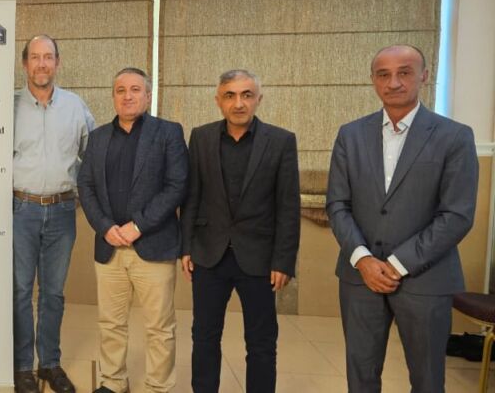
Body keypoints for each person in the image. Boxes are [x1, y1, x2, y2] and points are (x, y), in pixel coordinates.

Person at [327, 44, 479, 392]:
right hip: (360, 278)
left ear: (424, 76)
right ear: (373, 80)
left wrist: (397, 264)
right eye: (383, 74)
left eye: (404, 72)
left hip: (426, 279)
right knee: (360, 378)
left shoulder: (455, 136)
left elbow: (456, 214)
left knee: (427, 380)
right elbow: (337, 205)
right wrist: (363, 260)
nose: (393, 82)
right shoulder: (350, 135)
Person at [180, 69, 300, 393]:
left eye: (247, 95)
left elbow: (288, 207)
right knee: (204, 337)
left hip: (260, 259)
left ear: (259, 99)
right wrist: (186, 246)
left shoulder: (281, 141)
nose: (238, 103)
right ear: (218, 100)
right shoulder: (201, 137)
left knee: (261, 342)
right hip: (209, 254)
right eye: (230, 95)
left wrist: (284, 261)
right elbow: (192, 196)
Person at [78, 67, 188, 393]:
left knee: (159, 327)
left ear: (148, 96)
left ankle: (158, 387)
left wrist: (138, 225)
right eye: (121, 90)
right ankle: (113, 382)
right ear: (113, 96)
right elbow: (86, 186)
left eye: (135, 90)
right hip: (109, 246)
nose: (128, 96)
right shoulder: (98, 138)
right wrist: (105, 227)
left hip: (152, 244)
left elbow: (177, 185)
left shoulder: (168, 132)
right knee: (110, 323)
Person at [12, 35, 95, 393]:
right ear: (25, 64)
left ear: (58, 63)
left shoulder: (75, 106)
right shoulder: (9, 106)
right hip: (19, 210)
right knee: (19, 291)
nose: (42, 64)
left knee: (53, 293)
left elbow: (93, 155)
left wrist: (80, 193)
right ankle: (21, 367)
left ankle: (49, 363)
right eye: (35, 57)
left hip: (61, 211)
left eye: (48, 57)